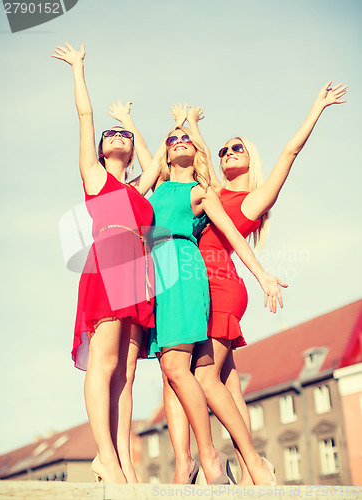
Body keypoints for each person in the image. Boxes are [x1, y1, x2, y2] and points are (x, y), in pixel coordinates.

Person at [169, 82, 347, 484]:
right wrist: (189, 126)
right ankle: (255, 468)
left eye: (237, 148)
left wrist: (316, 107)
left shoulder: (254, 199)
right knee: (229, 384)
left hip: (220, 285)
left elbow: (289, 152)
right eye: (223, 149)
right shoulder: (213, 191)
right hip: (200, 285)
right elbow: (195, 162)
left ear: (251, 158)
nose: (228, 153)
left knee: (204, 377)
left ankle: (249, 464)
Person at [108, 102, 286, 484]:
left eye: (186, 139)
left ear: (195, 152)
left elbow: (236, 237)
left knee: (180, 368)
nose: (179, 142)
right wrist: (131, 123)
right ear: (166, 152)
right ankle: (199, 461)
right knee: (175, 374)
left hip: (184, 272)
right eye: (172, 140)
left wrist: (263, 275)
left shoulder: (201, 193)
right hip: (156, 277)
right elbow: (148, 156)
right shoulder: (155, 189)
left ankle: (214, 458)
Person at [51, 43, 163, 483]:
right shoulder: (95, 178)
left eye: (126, 138)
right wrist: (79, 69)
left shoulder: (140, 188)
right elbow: (85, 118)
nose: (118, 137)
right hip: (109, 263)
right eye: (112, 136)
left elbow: (156, 165)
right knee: (106, 363)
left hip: (139, 270)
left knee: (129, 372)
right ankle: (105, 456)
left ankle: (124, 460)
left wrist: (134, 122)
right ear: (99, 152)